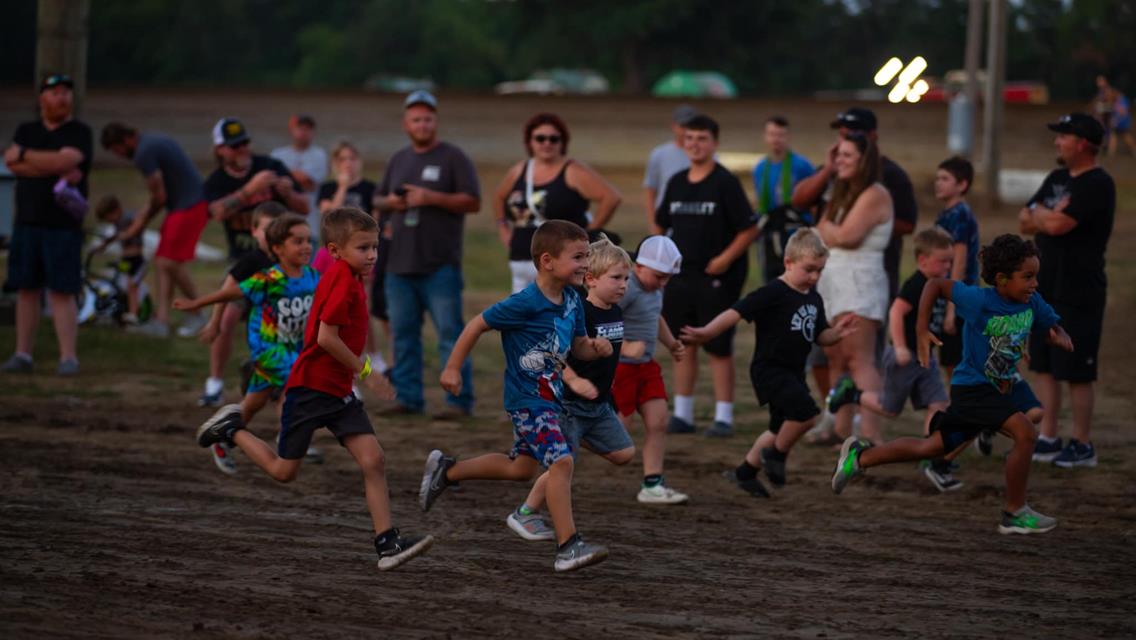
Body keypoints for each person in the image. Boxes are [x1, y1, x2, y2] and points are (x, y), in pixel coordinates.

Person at [195, 207, 433, 570]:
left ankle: (387, 544)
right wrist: (367, 370)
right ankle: (231, 429)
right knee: (283, 471)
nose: (371, 255)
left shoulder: (350, 277)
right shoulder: (339, 278)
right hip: (309, 390)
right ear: (336, 251)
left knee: (374, 460)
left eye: (374, 248)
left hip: (338, 392)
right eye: (363, 248)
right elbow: (326, 338)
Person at [831, 234, 1074, 535]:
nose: (1035, 284)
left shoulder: (1031, 301)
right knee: (1026, 434)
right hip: (973, 388)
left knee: (932, 448)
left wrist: (1057, 331)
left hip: (994, 390)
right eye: (1027, 277)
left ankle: (860, 456)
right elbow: (934, 285)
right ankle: (1014, 512)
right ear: (1001, 279)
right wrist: (921, 329)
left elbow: (1049, 320)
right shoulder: (979, 300)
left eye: (1036, 276)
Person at [419, 221, 614, 572]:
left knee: (520, 468)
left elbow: (578, 348)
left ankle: (448, 472)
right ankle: (569, 545)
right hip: (527, 400)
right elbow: (477, 324)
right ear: (547, 261)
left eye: (587, 256)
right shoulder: (525, 302)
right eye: (579, 257)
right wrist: (452, 368)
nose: (586, 264)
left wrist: (594, 348)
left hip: (549, 399)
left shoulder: (573, 300)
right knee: (562, 461)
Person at [683, 229, 855, 495]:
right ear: (788, 262)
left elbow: (821, 336)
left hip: (793, 373)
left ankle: (745, 473)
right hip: (770, 370)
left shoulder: (814, 297)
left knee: (777, 428)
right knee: (808, 415)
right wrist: (707, 332)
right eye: (809, 269)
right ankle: (775, 455)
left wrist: (837, 333)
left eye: (820, 271)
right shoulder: (773, 292)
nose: (814, 277)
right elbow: (735, 312)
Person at [505, 237, 636, 540]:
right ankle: (524, 513)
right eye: (616, 278)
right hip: (569, 407)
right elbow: (557, 354)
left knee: (625, 453)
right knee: (562, 466)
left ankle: (571, 439)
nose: (623, 285)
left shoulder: (614, 311)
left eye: (626, 279)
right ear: (590, 279)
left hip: (599, 405)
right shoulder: (579, 313)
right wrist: (574, 379)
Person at [175, 213, 320, 475]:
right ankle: (290, 440)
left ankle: (223, 433)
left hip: (294, 348)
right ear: (277, 249)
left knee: (254, 402)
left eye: (308, 240)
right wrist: (197, 303)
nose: (306, 246)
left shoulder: (312, 276)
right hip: (268, 349)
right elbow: (232, 291)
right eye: (298, 241)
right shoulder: (269, 278)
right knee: (297, 386)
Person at [375, 91, 481, 419]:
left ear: (436, 122)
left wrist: (430, 197)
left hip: (440, 265)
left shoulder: (453, 158)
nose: (422, 124)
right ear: (406, 124)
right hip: (398, 264)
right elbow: (377, 200)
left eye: (428, 119)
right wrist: (392, 204)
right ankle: (408, 398)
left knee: (450, 333)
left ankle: (458, 402)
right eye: (416, 119)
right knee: (403, 336)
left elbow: (472, 202)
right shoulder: (398, 159)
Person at [826, 228, 956, 491]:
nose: (948, 266)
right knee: (890, 408)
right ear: (922, 261)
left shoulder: (940, 285)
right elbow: (896, 312)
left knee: (940, 402)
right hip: (903, 358)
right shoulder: (917, 284)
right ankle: (852, 394)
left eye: (950, 261)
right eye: (943, 261)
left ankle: (931, 455)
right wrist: (899, 346)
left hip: (925, 359)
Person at [1019, 113, 1115, 468]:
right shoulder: (1057, 178)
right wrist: (1047, 214)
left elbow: (1056, 225)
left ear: (1083, 144)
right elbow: (1023, 218)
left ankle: (1082, 443)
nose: (1057, 142)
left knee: (1076, 368)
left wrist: (1043, 215)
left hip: (1080, 288)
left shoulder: (1098, 184)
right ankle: (1048, 436)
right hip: (1044, 287)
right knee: (1044, 365)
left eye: (1064, 136)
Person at [655, 114, 758, 438]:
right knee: (682, 341)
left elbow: (749, 227)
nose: (695, 145)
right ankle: (683, 414)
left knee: (717, 344)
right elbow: (661, 224)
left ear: (714, 143)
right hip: (681, 277)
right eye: (690, 139)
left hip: (716, 277)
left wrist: (725, 259)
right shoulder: (676, 182)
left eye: (702, 139)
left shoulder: (724, 182)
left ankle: (723, 416)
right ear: (682, 143)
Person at [200, 118, 308, 404]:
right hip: (245, 260)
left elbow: (304, 206)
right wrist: (249, 191)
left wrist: (288, 193)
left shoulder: (270, 166)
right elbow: (215, 213)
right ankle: (214, 383)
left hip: (281, 263)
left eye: (245, 143)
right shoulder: (217, 181)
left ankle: (279, 379)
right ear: (221, 150)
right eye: (235, 146)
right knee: (227, 318)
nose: (243, 149)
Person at [2, 74, 91, 376]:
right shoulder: (27, 129)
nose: (62, 98)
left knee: (61, 291)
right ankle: (22, 353)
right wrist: (51, 164)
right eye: (55, 92)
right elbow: (11, 164)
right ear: (42, 98)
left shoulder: (79, 132)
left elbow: (63, 162)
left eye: (66, 92)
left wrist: (27, 158)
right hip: (27, 222)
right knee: (26, 288)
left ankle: (68, 357)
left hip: (62, 224)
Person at [813, 133, 894, 445]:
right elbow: (823, 228)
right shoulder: (843, 192)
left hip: (860, 283)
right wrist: (830, 230)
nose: (839, 161)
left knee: (859, 358)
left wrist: (829, 230)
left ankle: (871, 433)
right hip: (835, 280)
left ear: (864, 160)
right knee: (836, 357)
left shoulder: (875, 194)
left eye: (847, 155)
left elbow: (847, 236)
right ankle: (840, 428)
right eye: (838, 155)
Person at [792, 107, 917, 300]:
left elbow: (907, 224)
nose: (845, 139)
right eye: (842, 135)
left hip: (869, 273)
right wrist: (827, 170)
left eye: (853, 134)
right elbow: (799, 200)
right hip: (828, 270)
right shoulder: (836, 169)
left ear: (872, 136)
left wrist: (864, 223)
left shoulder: (891, 176)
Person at [100, 122, 209, 338]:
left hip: (189, 206)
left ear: (125, 141)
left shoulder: (143, 152)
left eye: (116, 150)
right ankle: (162, 321)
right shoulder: (154, 139)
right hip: (184, 205)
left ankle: (197, 313)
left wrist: (138, 225)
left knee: (168, 262)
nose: (120, 156)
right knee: (162, 260)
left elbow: (159, 197)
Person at [494, 112, 622, 293]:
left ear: (563, 142)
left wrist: (588, 234)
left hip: (562, 263)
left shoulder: (573, 171)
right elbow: (499, 197)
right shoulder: (520, 170)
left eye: (553, 139)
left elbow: (611, 197)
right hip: (521, 258)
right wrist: (503, 228)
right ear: (530, 142)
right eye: (540, 138)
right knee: (523, 317)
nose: (547, 143)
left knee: (560, 316)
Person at [614, 236, 689, 503]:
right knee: (618, 431)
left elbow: (654, 317)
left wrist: (671, 343)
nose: (663, 283)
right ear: (639, 266)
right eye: (659, 276)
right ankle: (566, 442)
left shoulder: (654, 289)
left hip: (646, 367)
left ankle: (652, 484)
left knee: (658, 422)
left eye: (667, 278)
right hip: (621, 368)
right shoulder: (625, 288)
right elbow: (599, 324)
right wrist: (624, 348)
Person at [196, 202, 287, 408]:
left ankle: (262, 375)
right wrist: (214, 323)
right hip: (248, 303)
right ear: (254, 232)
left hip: (273, 318)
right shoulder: (251, 261)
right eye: (267, 230)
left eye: (278, 230)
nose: (272, 235)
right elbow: (225, 292)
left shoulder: (289, 259)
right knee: (228, 320)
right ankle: (216, 383)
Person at [317, 140, 388, 375]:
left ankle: (373, 354)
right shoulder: (328, 188)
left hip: (362, 256)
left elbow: (376, 222)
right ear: (335, 164)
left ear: (360, 162)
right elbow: (328, 216)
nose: (348, 164)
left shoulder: (370, 188)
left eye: (352, 158)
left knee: (361, 306)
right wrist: (342, 187)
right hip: (334, 257)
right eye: (343, 159)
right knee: (337, 307)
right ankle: (343, 356)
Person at [752, 115, 816, 282]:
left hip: (796, 234)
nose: (776, 139)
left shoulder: (802, 165)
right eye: (772, 134)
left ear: (788, 137)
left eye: (780, 134)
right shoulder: (760, 168)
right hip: (769, 235)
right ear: (765, 137)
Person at [933, 156, 979, 378]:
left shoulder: (960, 214)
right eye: (937, 178)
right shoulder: (947, 214)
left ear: (962, 185)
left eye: (945, 178)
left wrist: (952, 309)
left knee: (957, 362)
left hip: (960, 298)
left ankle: (965, 409)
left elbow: (959, 261)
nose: (938, 183)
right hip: (947, 296)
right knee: (950, 361)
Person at [271, 114, 328, 243]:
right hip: (281, 223)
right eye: (300, 128)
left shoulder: (319, 154)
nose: (303, 133)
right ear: (291, 130)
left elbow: (308, 182)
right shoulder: (277, 154)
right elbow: (273, 182)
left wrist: (284, 175)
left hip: (309, 224)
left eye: (307, 129)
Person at [92, 196, 146, 324]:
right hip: (125, 259)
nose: (109, 222)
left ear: (115, 211)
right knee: (120, 283)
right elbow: (113, 236)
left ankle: (134, 314)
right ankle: (120, 309)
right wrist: (102, 246)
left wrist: (126, 234)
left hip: (137, 260)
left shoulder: (128, 217)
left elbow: (138, 223)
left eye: (108, 218)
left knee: (132, 286)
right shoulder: (117, 223)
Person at [642, 104, 697, 225]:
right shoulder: (659, 154)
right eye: (683, 126)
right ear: (673, 126)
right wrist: (654, 225)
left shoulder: (707, 156)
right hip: (667, 222)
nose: (687, 131)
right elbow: (650, 192)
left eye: (691, 126)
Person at [1107, 89, 1135, 156]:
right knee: (1113, 136)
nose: (1109, 97)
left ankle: (1134, 149)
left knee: (1126, 137)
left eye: (1110, 96)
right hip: (1118, 123)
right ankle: (1111, 153)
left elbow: (1123, 112)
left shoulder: (1122, 100)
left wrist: (1115, 120)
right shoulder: (1116, 100)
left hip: (1123, 122)